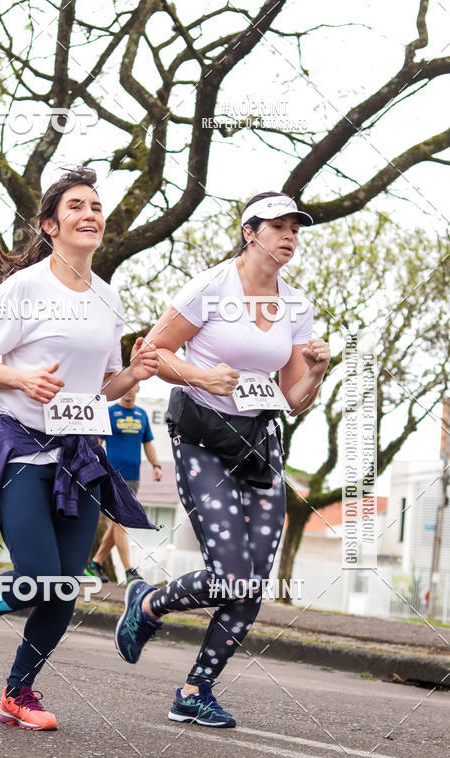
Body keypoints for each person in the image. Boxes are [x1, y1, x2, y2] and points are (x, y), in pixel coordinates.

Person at [0, 166, 158, 730]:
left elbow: (104, 389)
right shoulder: (25, 287)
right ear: (50, 225)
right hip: (20, 447)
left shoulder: (108, 298)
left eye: (95, 205)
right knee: (38, 573)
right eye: (75, 207)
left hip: (79, 454)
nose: (89, 214)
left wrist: (134, 371)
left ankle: (18, 693)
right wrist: (22, 381)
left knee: (64, 585)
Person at [115, 192, 331, 728]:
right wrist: (201, 375)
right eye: (277, 226)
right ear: (249, 231)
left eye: (295, 229)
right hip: (203, 435)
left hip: (260, 442)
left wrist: (317, 372)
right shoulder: (211, 287)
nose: (289, 236)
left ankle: (195, 690)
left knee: (252, 581)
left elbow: (291, 398)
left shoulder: (295, 307)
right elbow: (153, 353)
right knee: (232, 573)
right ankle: (146, 604)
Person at [85, 384, 162, 585]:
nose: (128, 389)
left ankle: (95, 563)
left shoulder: (142, 414)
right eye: (125, 386)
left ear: (138, 388)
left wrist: (156, 465)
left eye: (132, 386)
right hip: (112, 475)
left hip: (134, 477)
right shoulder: (110, 413)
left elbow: (148, 443)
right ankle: (129, 570)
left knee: (117, 524)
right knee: (120, 520)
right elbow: (98, 442)